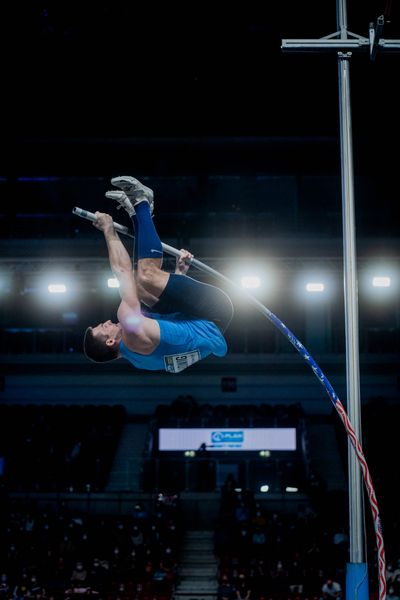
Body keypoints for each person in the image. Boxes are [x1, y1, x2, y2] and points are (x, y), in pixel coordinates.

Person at [83, 176, 234, 373]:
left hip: (193, 315)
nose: (108, 322)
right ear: (111, 341)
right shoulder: (131, 327)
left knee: (138, 286)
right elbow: (122, 271)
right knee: (146, 275)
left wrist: (179, 276)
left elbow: (175, 336)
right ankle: (142, 201)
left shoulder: (139, 361)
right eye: (103, 327)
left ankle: (136, 214)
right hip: (214, 312)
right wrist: (108, 230)